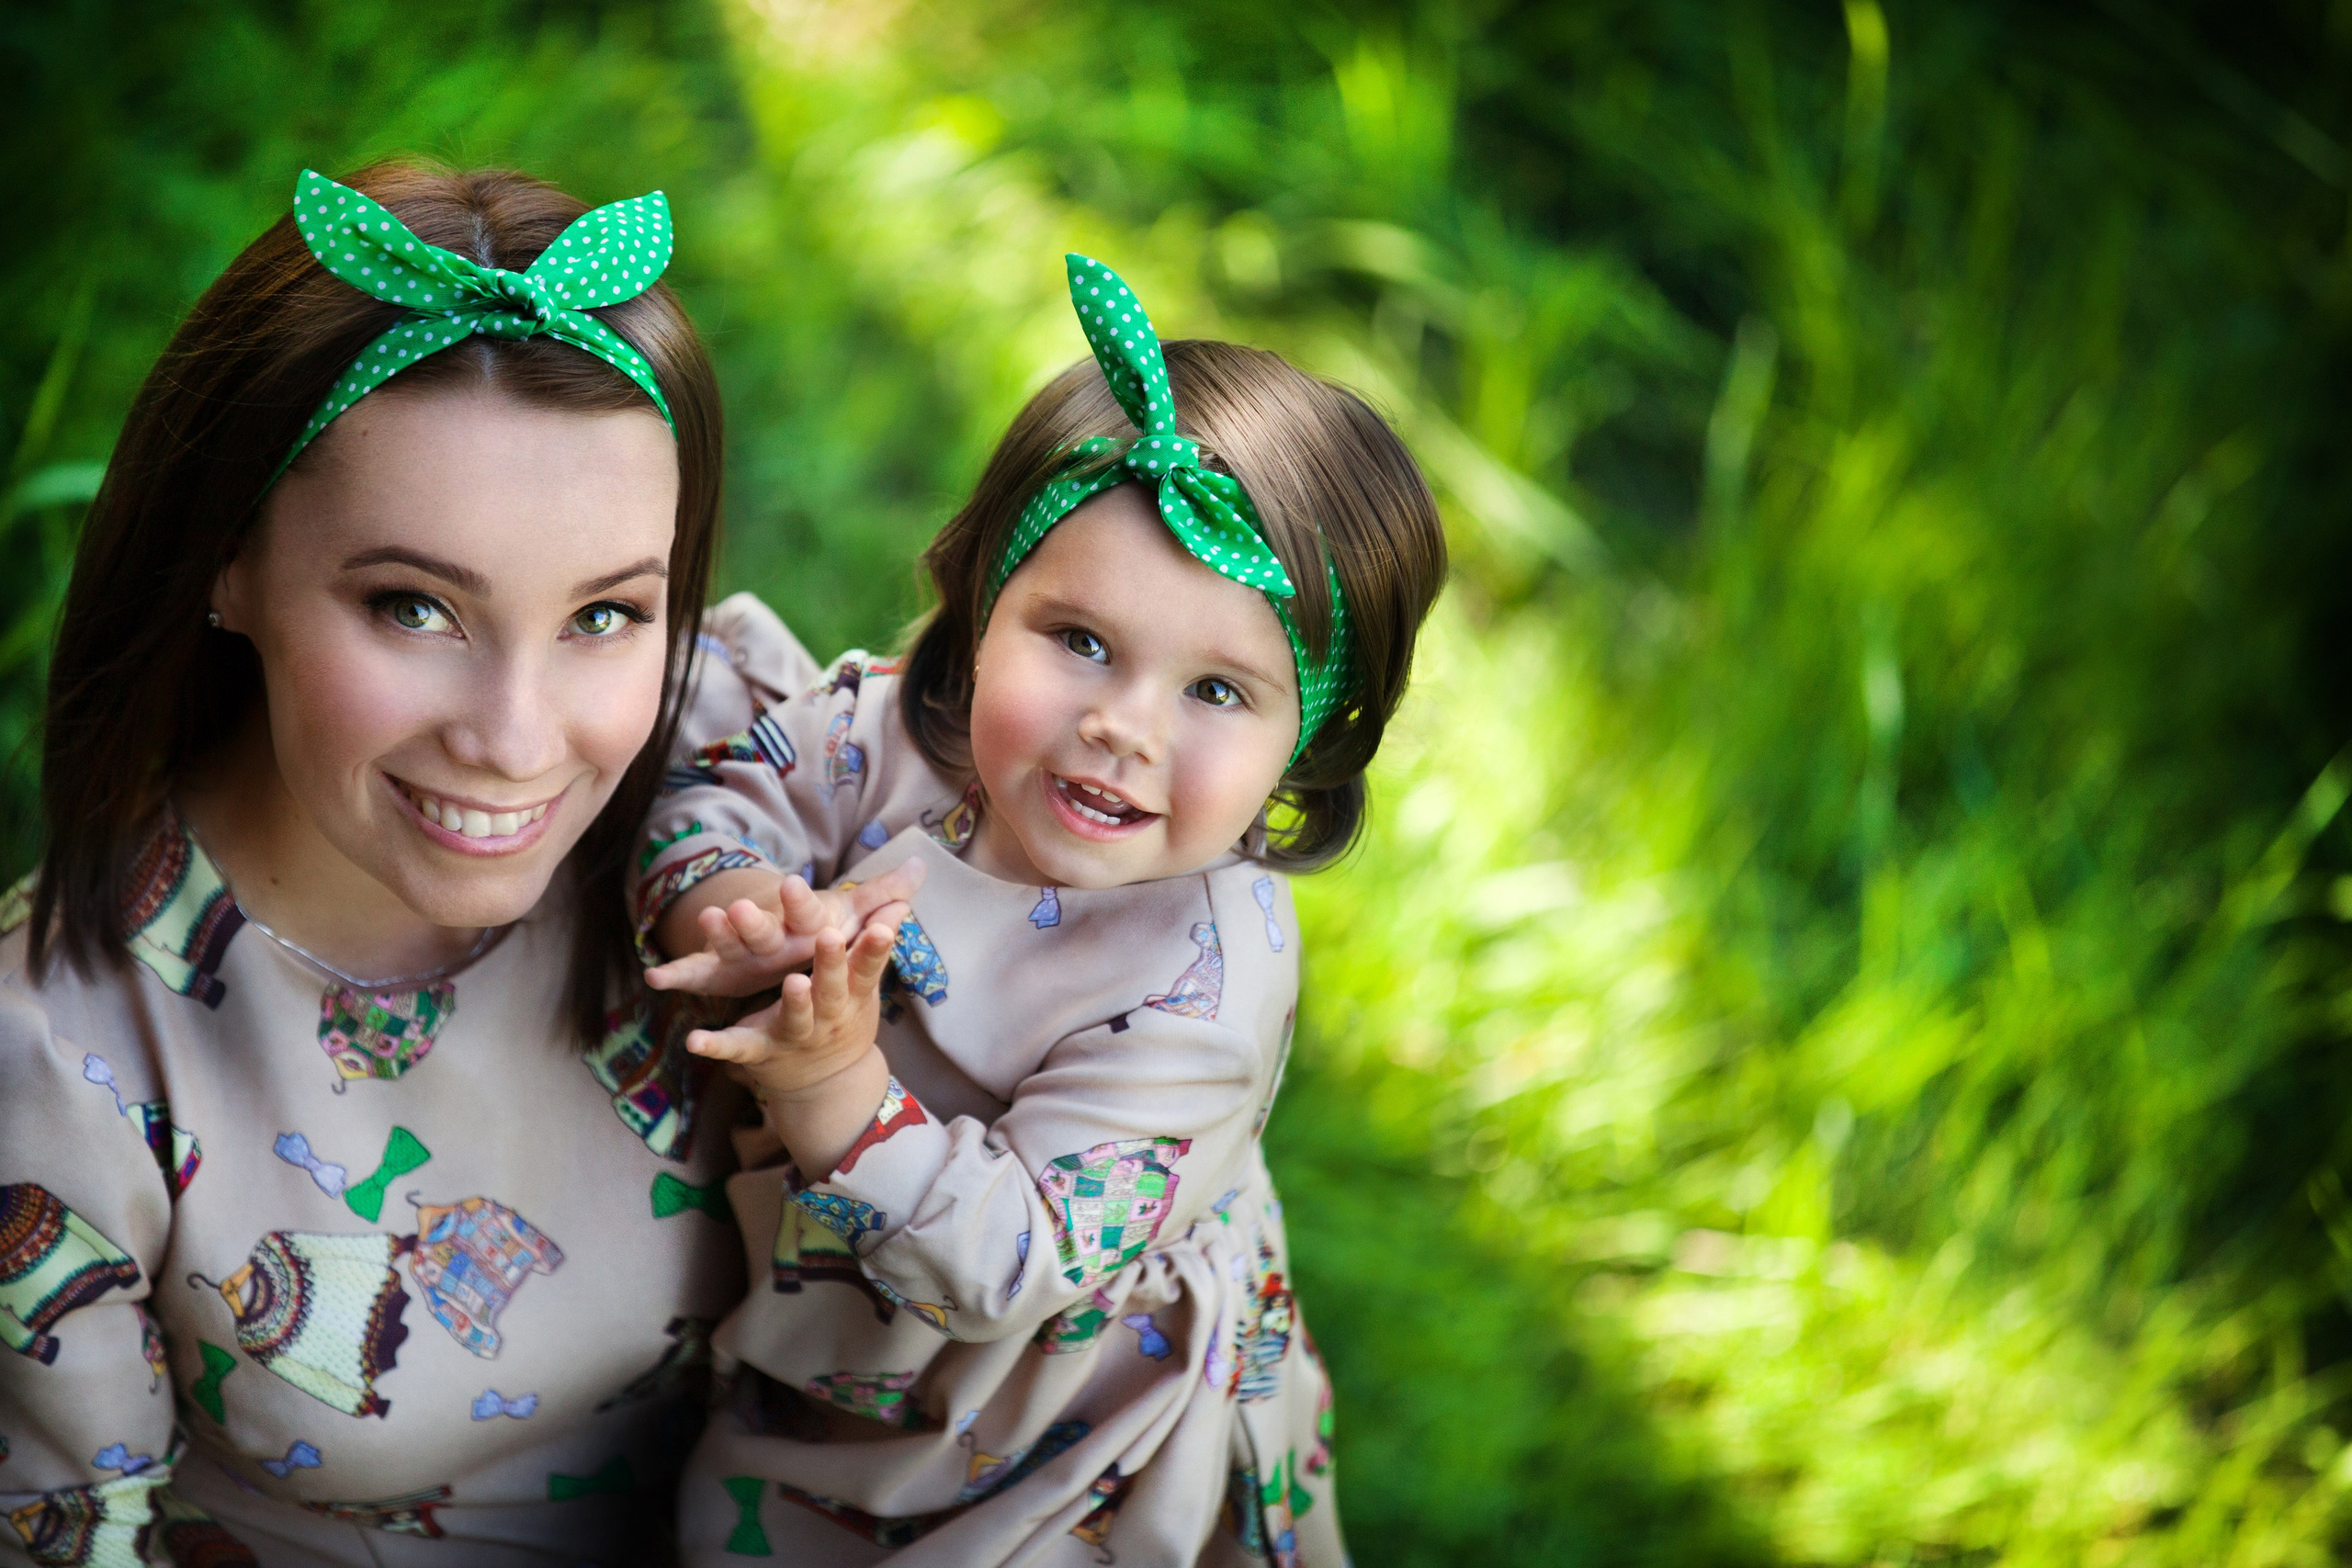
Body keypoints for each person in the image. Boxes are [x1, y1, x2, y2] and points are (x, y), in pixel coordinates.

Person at [0, 161, 912, 1566]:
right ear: (224, 561)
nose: (516, 739)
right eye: (414, 607)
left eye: (604, 616)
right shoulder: (59, 1067)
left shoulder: (735, 769)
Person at [636, 254, 1447, 1565]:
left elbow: (1009, 1260)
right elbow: (715, 797)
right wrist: (736, 908)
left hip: (1052, 1422)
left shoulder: (1204, 982)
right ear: (981, 603)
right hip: (831, 1338)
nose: (1122, 726)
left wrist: (831, 1082)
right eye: (1080, 641)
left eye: (1217, 691)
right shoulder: (895, 731)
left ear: (1308, 739)